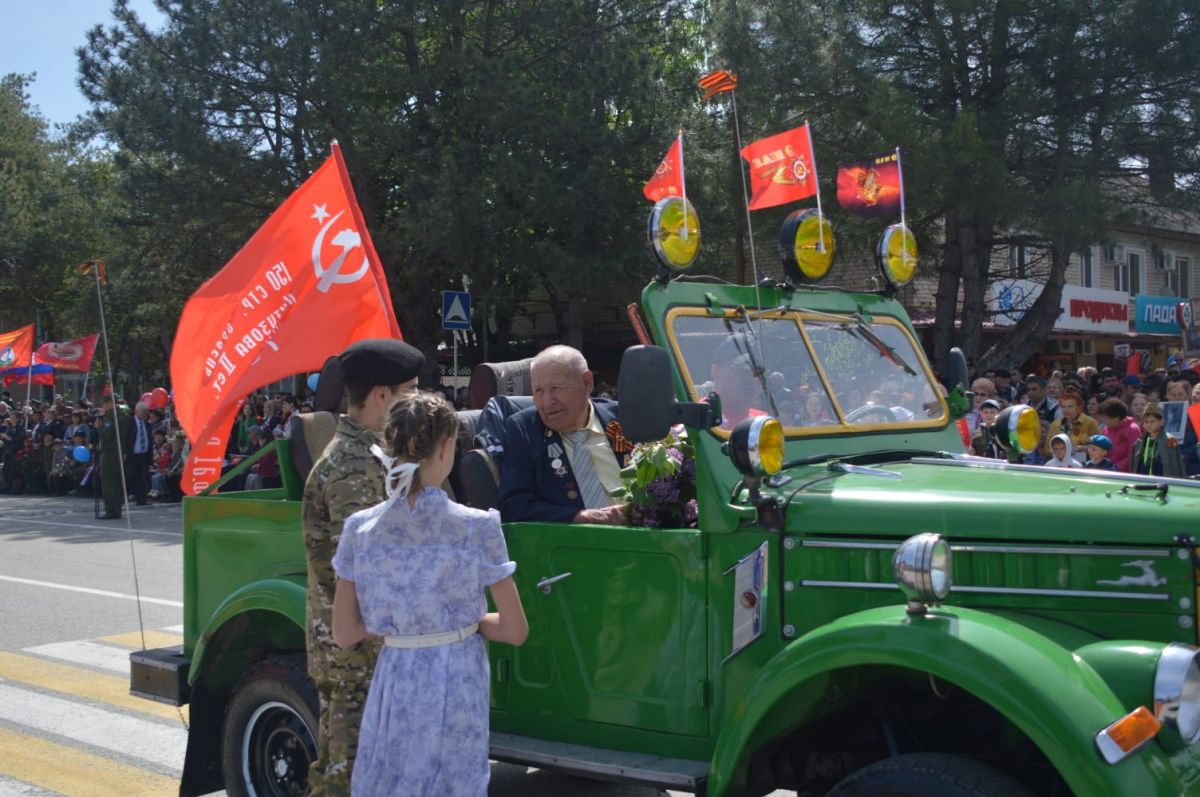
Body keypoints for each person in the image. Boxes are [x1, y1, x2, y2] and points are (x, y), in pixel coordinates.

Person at [331, 391, 528, 796]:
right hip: (456, 678)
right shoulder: (477, 527)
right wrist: (465, 621)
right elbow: (514, 629)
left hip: (396, 674)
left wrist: (402, 617)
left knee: (392, 779)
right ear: (446, 447)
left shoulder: (359, 528)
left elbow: (345, 632)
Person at [303, 338, 424, 797]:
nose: (415, 399)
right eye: (409, 390)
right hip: (356, 654)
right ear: (381, 396)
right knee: (349, 775)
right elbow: (365, 572)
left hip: (371, 647)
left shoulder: (375, 453)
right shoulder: (350, 467)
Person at [498, 345, 631, 525]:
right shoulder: (525, 431)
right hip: (571, 546)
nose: (547, 402)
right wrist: (580, 517)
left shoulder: (625, 419)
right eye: (538, 391)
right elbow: (514, 506)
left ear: (587, 383)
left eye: (556, 388)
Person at [1043, 389, 1099, 462]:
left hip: (1083, 466)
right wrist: (1059, 452)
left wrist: (1079, 448)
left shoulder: (1090, 423)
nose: (1066, 410)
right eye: (1063, 407)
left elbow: (1099, 448)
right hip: (1058, 465)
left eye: (1070, 407)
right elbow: (1047, 449)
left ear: (1079, 407)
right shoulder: (1054, 424)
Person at [98, 394, 131, 519]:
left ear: (109, 403)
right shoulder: (124, 415)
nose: (103, 406)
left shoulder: (111, 416)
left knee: (108, 483)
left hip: (110, 452)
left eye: (104, 404)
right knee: (117, 483)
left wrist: (99, 428)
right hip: (121, 452)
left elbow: (107, 435)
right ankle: (117, 508)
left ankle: (111, 510)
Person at [1132, 403, 1184, 478]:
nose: (1149, 425)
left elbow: (1176, 464)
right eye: (1146, 422)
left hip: (1163, 481)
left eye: (1152, 421)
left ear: (1161, 421)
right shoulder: (1139, 442)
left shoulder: (1171, 440)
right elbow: (1135, 466)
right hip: (1143, 480)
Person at [1097, 397, 1141, 472]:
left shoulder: (1133, 430)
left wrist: (1115, 469)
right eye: (1104, 418)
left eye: (1108, 418)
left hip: (1123, 475)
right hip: (1106, 471)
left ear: (1118, 417)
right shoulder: (1105, 429)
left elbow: (1132, 456)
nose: (1105, 421)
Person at [126, 401, 153, 506]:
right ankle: (133, 495)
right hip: (132, 455)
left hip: (144, 455)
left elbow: (149, 439)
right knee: (132, 476)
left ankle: (142, 499)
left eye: (145, 412)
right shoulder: (130, 423)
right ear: (136, 411)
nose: (144, 414)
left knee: (143, 477)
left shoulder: (147, 424)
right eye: (142, 412)